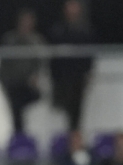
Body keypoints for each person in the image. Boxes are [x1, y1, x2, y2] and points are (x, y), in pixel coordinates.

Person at [47, 0, 95, 134]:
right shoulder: (58, 30)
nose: (72, 10)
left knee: (76, 112)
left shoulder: (85, 30)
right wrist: (54, 75)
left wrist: (88, 72)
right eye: (70, 7)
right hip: (62, 77)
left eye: (75, 7)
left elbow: (89, 55)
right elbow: (54, 56)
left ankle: (75, 140)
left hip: (78, 77)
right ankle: (67, 142)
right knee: (62, 109)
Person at [0, 10, 47, 136]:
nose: (26, 24)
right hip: (13, 83)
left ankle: (27, 137)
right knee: (16, 112)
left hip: (29, 84)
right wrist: (3, 80)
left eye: (29, 22)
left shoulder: (37, 40)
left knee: (33, 102)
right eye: (24, 21)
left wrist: (36, 76)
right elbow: (3, 63)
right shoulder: (10, 39)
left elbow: (41, 61)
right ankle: (19, 139)